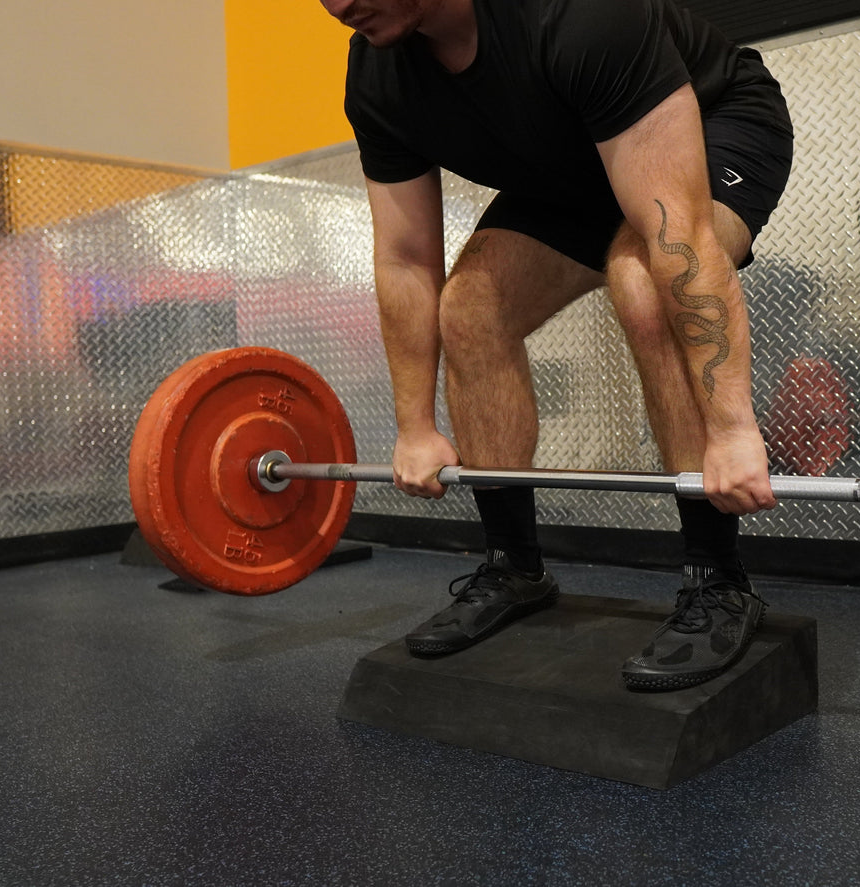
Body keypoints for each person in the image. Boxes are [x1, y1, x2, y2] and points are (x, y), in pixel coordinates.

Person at [318, 0, 794, 690]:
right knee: (472, 308)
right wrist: (414, 426)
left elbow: (680, 234)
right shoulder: (378, 77)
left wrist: (732, 426)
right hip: (574, 162)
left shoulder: (579, 15)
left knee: (644, 281)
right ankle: (514, 567)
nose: (337, 4)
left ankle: (717, 578)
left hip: (715, 118)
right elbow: (403, 258)